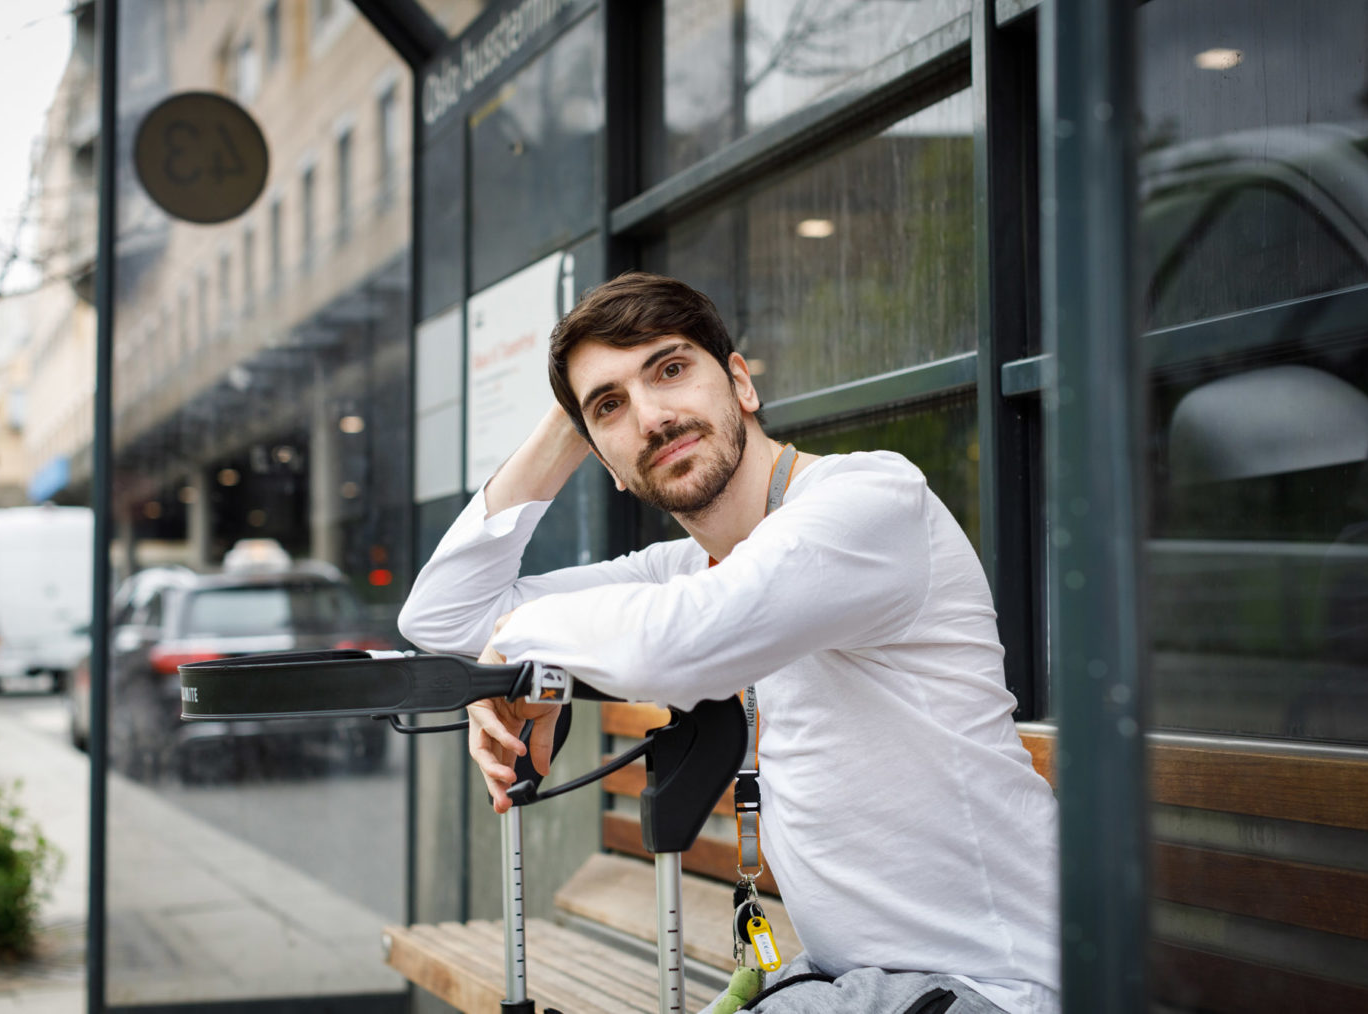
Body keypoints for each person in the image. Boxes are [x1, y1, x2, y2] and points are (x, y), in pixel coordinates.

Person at [398, 273, 1059, 1014]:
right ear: (604, 463)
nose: (652, 417)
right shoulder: (687, 569)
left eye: (670, 369)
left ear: (740, 383)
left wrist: (515, 640)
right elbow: (444, 615)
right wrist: (566, 425)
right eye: (610, 406)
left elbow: (679, 648)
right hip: (852, 981)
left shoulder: (870, 501)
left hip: (995, 992)